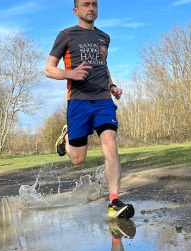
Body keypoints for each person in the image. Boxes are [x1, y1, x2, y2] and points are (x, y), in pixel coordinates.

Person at [45, 0, 134, 219]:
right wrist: (70, 74)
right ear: (76, 10)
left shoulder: (105, 37)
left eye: (94, 4)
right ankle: (66, 137)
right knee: (77, 159)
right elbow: (49, 69)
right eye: (86, 4)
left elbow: (103, 66)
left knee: (110, 144)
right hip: (78, 100)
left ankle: (114, 202)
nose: (91, 8)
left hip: (103, 100)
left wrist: (111, 86)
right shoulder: (66, 35)